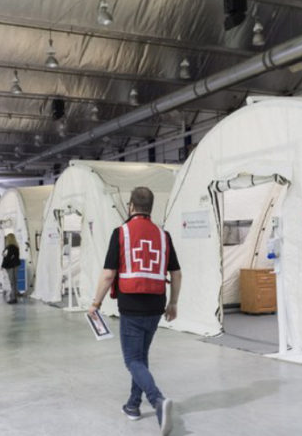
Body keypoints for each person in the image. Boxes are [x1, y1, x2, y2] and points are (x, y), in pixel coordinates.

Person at [88, 187, 182, 436]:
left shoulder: (121, 233)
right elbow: (176, 272)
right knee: (141, 356)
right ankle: (132, 405)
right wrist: (173, 303)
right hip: (156, 305)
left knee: (132, 360)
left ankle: (158, 401)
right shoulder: (164, 236)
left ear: (130, 206)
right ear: (151, 207)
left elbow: (109, 274)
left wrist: (95, 303)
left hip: (131, 305)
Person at [1, 233, 21, 304]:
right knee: (14, 282)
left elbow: (6, 258)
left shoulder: (9, 247)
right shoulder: (16, 247)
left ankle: (13, 298)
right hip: (16, 265)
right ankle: (14, 296)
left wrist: (2, 265)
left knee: (12, 282)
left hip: (10, 266)